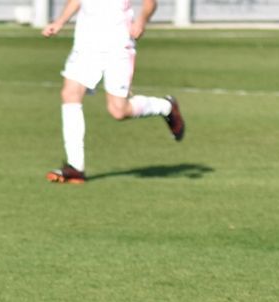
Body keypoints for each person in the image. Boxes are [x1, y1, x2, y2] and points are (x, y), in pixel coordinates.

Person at [42, 0, 186, 183]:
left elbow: (150, 3)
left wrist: (141, 21)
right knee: (70, 94)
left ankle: (165, 107)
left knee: (118, 111)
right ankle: (75, 167)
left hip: (118, 46)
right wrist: (60, 21)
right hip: (85, 45)